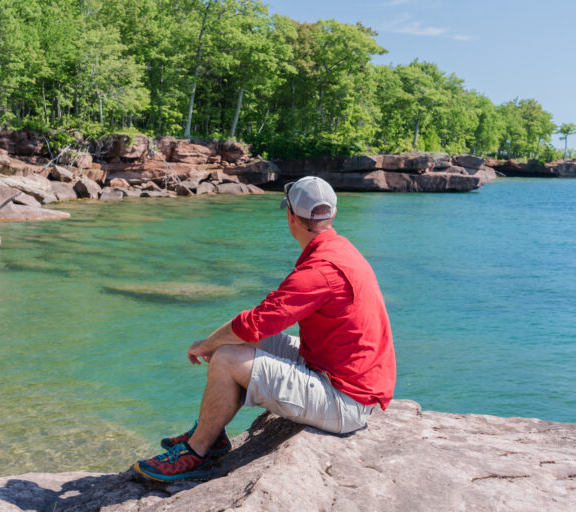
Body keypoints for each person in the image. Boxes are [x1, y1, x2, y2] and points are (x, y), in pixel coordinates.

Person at [133, 176, 396, 482]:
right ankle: (213, 433)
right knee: (235, 345)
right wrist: (215, 341)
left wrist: (205, 345)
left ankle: (197, 453)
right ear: (332, 215)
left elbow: (254, 324)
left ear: (291, 217)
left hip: (345, 401)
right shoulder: (340, 250)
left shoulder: (320, 270)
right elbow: (259, 325)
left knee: (227, 357)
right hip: (341, 375)